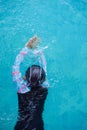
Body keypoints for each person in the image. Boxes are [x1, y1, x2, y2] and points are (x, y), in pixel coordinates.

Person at [12, 36, 48, 130]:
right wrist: (37, 50)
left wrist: (27, 47)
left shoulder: (22, 89)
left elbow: (15, 66)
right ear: (43, 79)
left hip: (22, 126)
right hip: (38, 126)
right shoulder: (44, 87)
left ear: (24, 77)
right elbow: (44, 67)